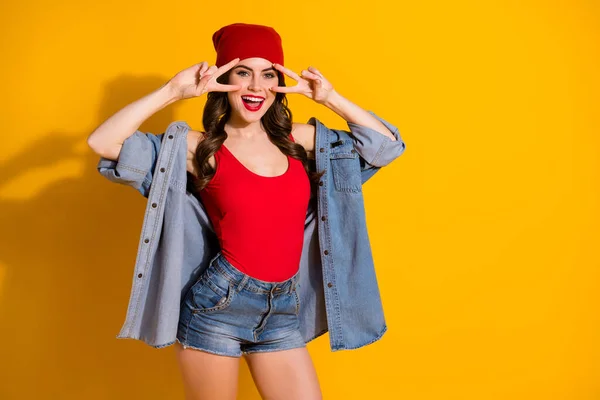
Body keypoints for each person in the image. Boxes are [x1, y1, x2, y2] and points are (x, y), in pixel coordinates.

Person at [88, 23, 403, 400]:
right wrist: (172, 91)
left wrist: (330, 98)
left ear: (278, 83)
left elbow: (385, 148)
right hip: (217, 306)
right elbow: (103, 142)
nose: (256, 87)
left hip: (283, 307)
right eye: (243, 73)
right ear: (224, 78)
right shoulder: (198, 147)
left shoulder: (298, 141)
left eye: (268, 75)